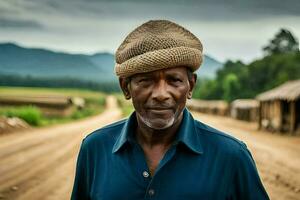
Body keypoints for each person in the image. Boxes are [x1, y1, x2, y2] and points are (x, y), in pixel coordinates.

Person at [71, 20, 269, 200]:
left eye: (174, 80)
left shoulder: (231, 155)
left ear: (190, 86)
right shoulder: (95, 149)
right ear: (125, 87)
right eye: (146, 81)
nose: (160, 94)